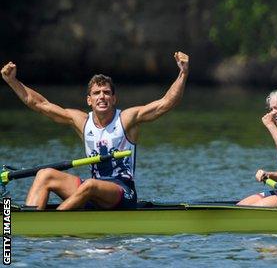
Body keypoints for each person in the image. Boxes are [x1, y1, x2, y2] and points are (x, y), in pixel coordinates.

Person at [0, 51, 189, 210]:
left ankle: (50, 222)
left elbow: (165, 103)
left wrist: (183, 73)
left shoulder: (127, 119)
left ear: (114, 99)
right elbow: (41, 104)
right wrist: (12, 81)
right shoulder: (81, 121)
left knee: (89, 185)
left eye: (107, 92)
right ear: (89, 100)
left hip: (122, 192)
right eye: (97, 93)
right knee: (45, 174)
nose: (102, 97)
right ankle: (30, 222)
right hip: (93, 192)